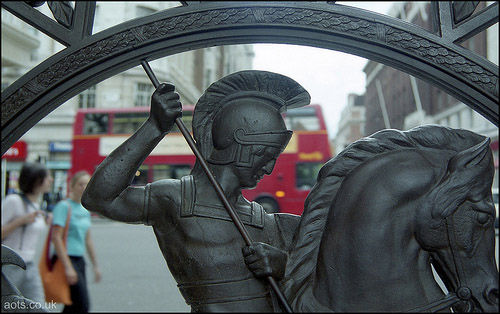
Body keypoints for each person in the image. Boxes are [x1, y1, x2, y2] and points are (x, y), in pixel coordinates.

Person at [82, 70, 311, 312]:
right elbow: (100, 198)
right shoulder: (176, 200)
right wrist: (154, 128)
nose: (269, 168)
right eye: (265, 156)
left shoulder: (266, 222)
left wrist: (285, 266)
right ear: (239, 145)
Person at [1, 162, 53, 304]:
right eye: (47, 176)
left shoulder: (35, 204)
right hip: (10, 266)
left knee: (38, 305)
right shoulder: (13, 201)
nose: (51, 180)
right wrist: (20, 221)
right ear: (36, 180)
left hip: (29, 264)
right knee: (9, 306)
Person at [51, 171, 101, 313]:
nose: (84, 187)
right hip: (65, 259)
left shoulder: (85, 209)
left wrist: (95, 265)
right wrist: (67, 266)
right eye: (80, 184)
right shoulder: (64, 207)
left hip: (79, 259)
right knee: (82, 304)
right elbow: (56, 237)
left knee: (73, 304)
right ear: (72, 186)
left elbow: (88, 239)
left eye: (87, 184)